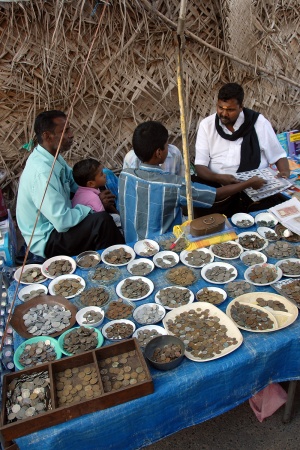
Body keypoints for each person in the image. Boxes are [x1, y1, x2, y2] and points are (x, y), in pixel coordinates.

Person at [119, 121, 265, 242]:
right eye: (166, 146)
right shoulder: (173, 185)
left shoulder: (124, 175)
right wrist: (249, 183)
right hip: (163, 246)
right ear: (158, 152)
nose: (168, 149)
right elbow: (216, 195)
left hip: (132, 242)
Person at [16, 110, 124, 258]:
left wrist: (96, 195)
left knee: (100, 179)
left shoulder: (53, 157)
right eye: (64, 131)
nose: (71, 134)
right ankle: (115, 259)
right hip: (48, 239)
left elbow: (74, 182)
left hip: (59, 222)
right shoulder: (42, 173)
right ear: (47, 136)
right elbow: (62, 222)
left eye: (69, 129)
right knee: (101, 221)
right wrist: (93, 206)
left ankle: (113, 237)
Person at [194, 83, 289, 215]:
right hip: (220, 189)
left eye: (230, 110)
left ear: (241, 107)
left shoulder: (259, 123)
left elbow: (278, 155)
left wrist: (284, 173)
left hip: (256, 188)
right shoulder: (207, 125)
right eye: (220, 107)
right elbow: (200, 167)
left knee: (268, 216)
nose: (224, 113)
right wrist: (218, 178)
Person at [72, 158, 121, 228]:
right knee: (117, 219)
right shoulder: (93, 198)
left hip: (86, 224)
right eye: (101, 174)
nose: (105, 175)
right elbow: (103, 218)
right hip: (90, 227)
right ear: (91, 184)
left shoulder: (80, 191)